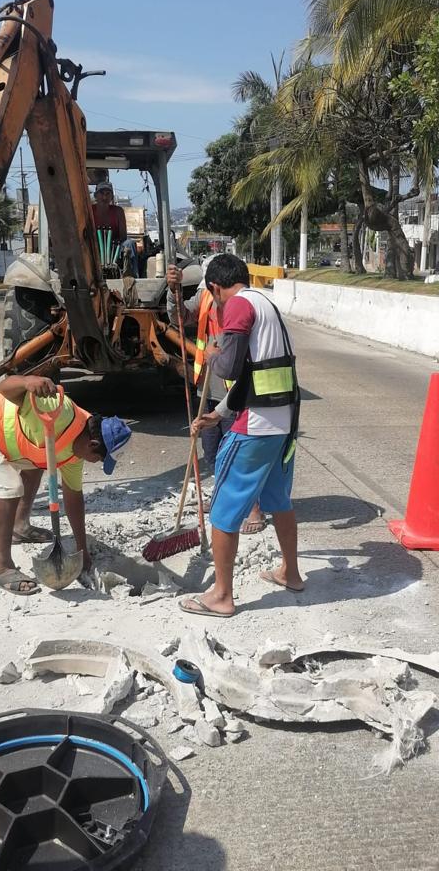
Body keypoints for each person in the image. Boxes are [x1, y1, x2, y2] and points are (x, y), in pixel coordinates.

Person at [179, 254, 303, 618]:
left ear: (215, 288)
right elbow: (255, 374)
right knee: (279, 500)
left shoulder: (236, 306)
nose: (214, 302)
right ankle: (291, 573)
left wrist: (212, 355)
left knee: (223, 511)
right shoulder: (268, 305)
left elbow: (231, 367)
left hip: (255, 429)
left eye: (211, 296)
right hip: (284, 425)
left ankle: (220, 596)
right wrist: (216, 415)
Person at [0, 374, 131, 595]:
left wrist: (81, 549)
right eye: (99, 459)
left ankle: (19, 527)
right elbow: (5, 388)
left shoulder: (75, 453)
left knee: (35, 463)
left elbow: (73, 496)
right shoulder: (57, 410)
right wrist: (26, 381)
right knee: (10, 488)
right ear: (93, 444)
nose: (95, 463)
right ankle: (0, 568)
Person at [166, 258, 266, 534]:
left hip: (237, 388)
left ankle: (254, 507)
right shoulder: (206, 297)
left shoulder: (244, 304)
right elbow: (179, 318)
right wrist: (171, 290)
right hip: (208, 386)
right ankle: (223, 495)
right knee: (213, 450)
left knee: (240, 452)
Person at [92, 181, 138, 276]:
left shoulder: (118, 211)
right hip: (94, 246)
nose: (104, 197)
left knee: (130, 243)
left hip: (115, 247)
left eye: (108, 194)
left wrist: (112, 246)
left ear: (112, 197)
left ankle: (133, 276)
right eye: (102, 193)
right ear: (96, 196)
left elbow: (123, 236)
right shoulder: (89, 210)